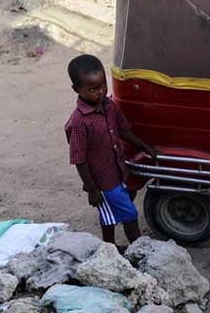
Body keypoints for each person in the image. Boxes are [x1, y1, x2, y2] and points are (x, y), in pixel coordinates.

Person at [65, 54, 158, 250]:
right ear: (76, 90)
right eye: (92, 89)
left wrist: (145, 147)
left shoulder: (109, 105)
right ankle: (140, 250)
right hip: (103, 182)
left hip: (119, 171)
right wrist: (92, 189)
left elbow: (124, 130)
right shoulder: (80, 122)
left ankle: (109, 247)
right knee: (130, 214)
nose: (100, 92)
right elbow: (79, 159)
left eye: (103, 86)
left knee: (108, 215)